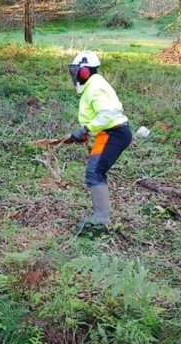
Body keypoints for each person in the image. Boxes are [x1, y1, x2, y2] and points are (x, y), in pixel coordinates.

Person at [67, 50, 132, 229]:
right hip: (111, 133)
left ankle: (102, 219)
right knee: (95, 171)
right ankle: (101, 216)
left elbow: (107, 113)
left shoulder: (95, 87)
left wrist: (85, 129)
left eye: (76, 70)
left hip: (114, 133)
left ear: (84, 71)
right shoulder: (94, 85)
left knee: (95, 172)